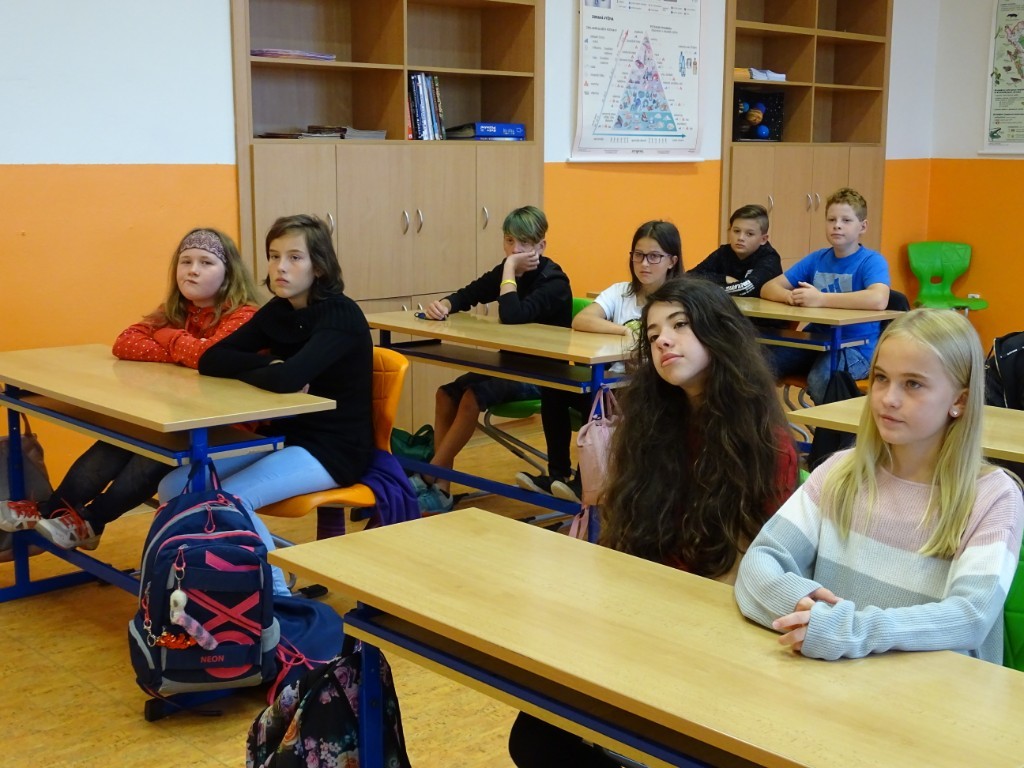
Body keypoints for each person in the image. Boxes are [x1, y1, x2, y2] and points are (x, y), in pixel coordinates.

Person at [508, 277, 799, 767]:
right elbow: (624, 537)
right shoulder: (651, 422)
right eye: (653, 332)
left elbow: (745, 570)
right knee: (534, 736)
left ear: (718, 332)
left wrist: (661, 634)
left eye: (680, 325)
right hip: (643, 605)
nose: (664, 340)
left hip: (709, 628)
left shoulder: (763, 442)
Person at [735, 308, 1024, 663]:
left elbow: (970, 616)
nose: (888, 398)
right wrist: (800, 604)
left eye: (913, 384)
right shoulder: (841, 472)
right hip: (835, 680)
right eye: (882, 378)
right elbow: (760, 560)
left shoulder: (994, 496)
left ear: (959, 401)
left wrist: (849, 630)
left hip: (934, 692)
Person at [0, 228, 261, 549]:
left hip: (228, 428)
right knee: (115, 442)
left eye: (206, 262)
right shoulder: (177, 310)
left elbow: (207, 357)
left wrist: (167, 338)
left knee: (152, 457)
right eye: (186, 261)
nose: (193, 270)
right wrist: (185, 350)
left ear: (228, 273)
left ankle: (92, 520)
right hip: (179, 416)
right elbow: (126, 342)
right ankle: (52, 510)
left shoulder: (245, 316)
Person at [157, 214, 374, 597]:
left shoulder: (341, 315)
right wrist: (272, 365)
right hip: (284, 439)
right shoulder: (279, 311)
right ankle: (213, 582)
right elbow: (212, 359)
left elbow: (288, 380)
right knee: (174, 486)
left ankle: (279, 601)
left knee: (230, 500)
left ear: (319, 266)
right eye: (274, 256)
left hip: (333, 449)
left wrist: (279, 372)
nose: (280, 268)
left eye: (294, 257)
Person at [414, 205, 572, 513]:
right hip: (509, 368)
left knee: (472, 397)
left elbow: (512, 315)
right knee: (445, 394)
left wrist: (509, 268)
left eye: (524, 243)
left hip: (543, 376)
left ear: (541, 246)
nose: (515, 250)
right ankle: (442, 488)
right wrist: (445, 304)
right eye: (509, 241)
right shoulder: (507, 270)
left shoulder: (554, 282)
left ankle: (429, 475)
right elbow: (472, 292)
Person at [516, 220, 683, 501]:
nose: (644, 263)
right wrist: (624, 331)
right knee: (557, 389)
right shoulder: (621, 292)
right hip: (610, 382)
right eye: (638, 255)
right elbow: (582, 320)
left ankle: (586, 483)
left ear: (672, 261)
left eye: (654, 256)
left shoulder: (677, 303)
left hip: (649, 390)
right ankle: (557, 476)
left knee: (598, 398)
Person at [759, 187, 890, 404]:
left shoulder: (871, 261)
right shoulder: (817, 258)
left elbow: (878, 299)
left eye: (846, 220)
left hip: (856, 349)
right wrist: (792, 297)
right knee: (759, 366)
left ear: (863, 226)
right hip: (816, 341)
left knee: (822, 379)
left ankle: (835, 427)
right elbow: (769, 288)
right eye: (831, 220)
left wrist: (820, 299)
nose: (837, 225)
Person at [689, 203, 782, 297]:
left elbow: (745, 288)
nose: (740, 238)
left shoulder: (770, 258)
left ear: (763, 239)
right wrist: (725, 278)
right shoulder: (724, 252)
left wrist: (710, 288)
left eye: (749, 234)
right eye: (736, 231)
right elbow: (689, 276)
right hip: (730, 304)